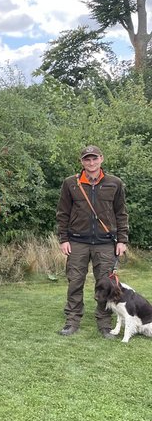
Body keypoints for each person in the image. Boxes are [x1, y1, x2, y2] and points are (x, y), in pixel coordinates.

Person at [56, 145, 128, 338]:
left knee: (106, 284)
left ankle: (104, 323)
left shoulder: (115, 183)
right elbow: (63, 213)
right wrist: (63, 239)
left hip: (105, 243)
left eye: (94, 158)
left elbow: (121, 213)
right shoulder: (70, 183)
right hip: (77, 242)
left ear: (101, 159)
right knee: (75, 282)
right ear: (82, 161)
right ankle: (72, 321)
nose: (91, 162)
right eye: (87, 159)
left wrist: (122, 240)